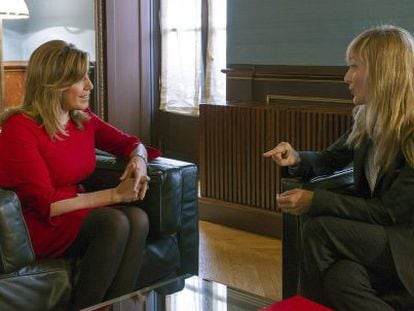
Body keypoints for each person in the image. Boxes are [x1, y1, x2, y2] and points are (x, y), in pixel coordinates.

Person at [0, 40, 161, 310]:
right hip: (38, 223)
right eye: (80, 78)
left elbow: (131, 142)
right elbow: (47, 204)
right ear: (54, 82)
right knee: (114, 223)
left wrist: (139, 162)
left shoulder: (81, 117)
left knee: (138, 218)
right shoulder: (20, 129)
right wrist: (115, 194)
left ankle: (113, 307)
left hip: (76, 212)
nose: (90, 85)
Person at [263, 25, 414, 310]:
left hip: (405, 242)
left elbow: (390, 212)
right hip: (380, 234)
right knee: (341, 278)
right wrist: (296, 158)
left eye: (354, 66)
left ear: (383, 73)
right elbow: (328, 160)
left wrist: (316, 200)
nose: (346, 77)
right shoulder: (369, 118)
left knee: (319, 231)